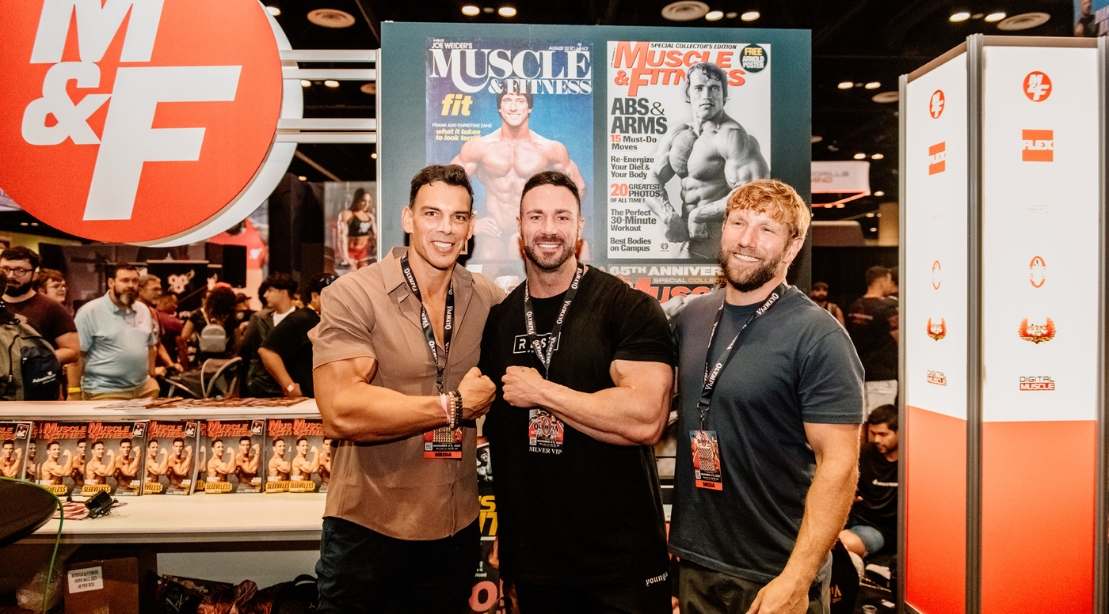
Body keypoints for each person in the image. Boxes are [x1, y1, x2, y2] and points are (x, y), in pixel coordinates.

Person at [480, 170, 675, 612]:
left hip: (621, 565)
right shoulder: (500, 319)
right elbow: (499, 436)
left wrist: (543, 392)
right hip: (534, 566)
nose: (549, 228)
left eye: (562, 216)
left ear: (580, 228)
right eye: (536, 216)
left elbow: (645, 418)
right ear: (519, 226)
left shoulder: (627, 307)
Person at [309, 164, 500, 613]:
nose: (445, 229)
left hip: (454, 531)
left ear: (470, 227)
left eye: (458, 217)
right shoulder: (355, 294)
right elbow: (341, 409)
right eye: (432, 214)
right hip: (369, 529)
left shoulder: (486, 298)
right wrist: (452, 406)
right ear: (408, 218)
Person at [669, 179, 864, 613]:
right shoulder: (693, 317)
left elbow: (840, 465)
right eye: (738, 222)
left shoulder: (818, 336)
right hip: (699, 563)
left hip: (775, 573)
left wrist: (797, 578)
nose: (746, 239)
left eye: (766, 229)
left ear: (792, 248)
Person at [644, 63, 770, 260]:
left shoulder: (732, 136)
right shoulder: (678, 133)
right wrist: (668, 215)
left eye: (714, 88)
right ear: (688, 94)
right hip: (688, 238)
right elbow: (651, 179)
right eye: (699, 88)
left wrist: (699, 215)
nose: (706, 95)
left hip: (721, 243)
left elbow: (754, 193)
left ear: (724, 94)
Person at [451, 88, 588, 263]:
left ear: (529, 108)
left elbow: (579, 189)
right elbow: (447, 189)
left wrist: (553, 218)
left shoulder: (549, 149)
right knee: (488, 255)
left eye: (521, 101)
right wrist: (470, 223)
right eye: (507, 100)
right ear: (499, 107)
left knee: (520, 250)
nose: (513, 107)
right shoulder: (478, 148)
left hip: (533, 229)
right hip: (496, 229)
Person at [74, 264, 160, 400]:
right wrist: (74, 392)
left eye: (134, 281)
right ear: (111, 282)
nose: (131, 285)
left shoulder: (143, 310)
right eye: (125, 280)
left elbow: (150, 346)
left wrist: (152, 376)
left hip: (144, 390)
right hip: (104, 391)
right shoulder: (89, 312)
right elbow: (77, 356)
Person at [258, 275, 337, 398]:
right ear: (315, 296)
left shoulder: (321, 319)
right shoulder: (301, 319)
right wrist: (289, 386)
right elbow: (267, 351)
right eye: (331, 297)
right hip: (305, 400)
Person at [1, 247, 79, 371]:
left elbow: (72, 351)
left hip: (36, 385)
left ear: (34, 275)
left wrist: (35, 360)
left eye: (20, 270)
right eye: (5, 269)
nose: (10, 276)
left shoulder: (52, 308)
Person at [839, 404, 899, 560]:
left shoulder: (910, 464)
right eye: (873, 433)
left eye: (883, 434)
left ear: (900, 432)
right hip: (855, 517)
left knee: (843, 542)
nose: (877, 439)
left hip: (882, 529)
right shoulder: (865, 454)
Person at [846, 266, 899, 414]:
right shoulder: (887, 309)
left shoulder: (854, 306)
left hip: (859, 373)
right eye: (889, 281)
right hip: (882, 375)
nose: (891, 285)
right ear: (883, 281)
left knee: (860, 422)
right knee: (880, 419)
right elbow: (900, 338)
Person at [240, 273, 299, 397]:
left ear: (283, 293)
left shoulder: (301, 319)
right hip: (260, 388)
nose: (265, 295)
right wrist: (251, 381)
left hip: (293, 389)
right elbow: (246, 351)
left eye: (270, 291)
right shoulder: (258, 319)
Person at [137, 274, 183, 374]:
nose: (159, 293)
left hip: (154, 373)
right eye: (155, 289)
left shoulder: (153, 313)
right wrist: (149, 371)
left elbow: (156, 343)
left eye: (160, 289)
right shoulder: (130, 313)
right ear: (140, 290)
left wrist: (170, 365)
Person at [338, 188, 377, 270]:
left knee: (364, 278)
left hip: (363, 252)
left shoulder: (370, 217)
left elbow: (376, 236)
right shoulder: (347, 214)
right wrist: (345, 256)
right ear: (357, 200)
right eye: (363, 201)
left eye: (368, 201)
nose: (366, 204)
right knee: (353, 277)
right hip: (350, 252)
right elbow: (342, 237)